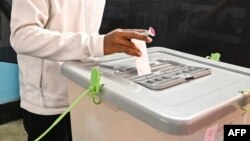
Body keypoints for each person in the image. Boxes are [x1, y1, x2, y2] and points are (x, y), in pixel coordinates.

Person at [10, 0, 152, 141]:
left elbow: (88, 33)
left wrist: (107, 44)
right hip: (48, 102)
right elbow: (22, 36)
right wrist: (98, 44)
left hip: (85, 92)